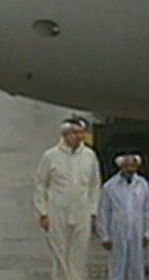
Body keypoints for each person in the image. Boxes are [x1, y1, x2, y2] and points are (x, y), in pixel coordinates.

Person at [33, 117, 102, 280]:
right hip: (57, 212)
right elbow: (40, 184)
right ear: (65, 134)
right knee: (60, 252)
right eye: (74, 133)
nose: (78, 137)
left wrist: (93, 211)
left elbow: (94, 185)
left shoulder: (89, 156)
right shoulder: (51, 156)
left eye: (81, 133)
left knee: (79, 254)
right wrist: (42, 212)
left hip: (82, 212)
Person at [97, 154, 149, 280]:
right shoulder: (110, 186)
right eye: (127, 166)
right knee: (117, 267)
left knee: (137, 268)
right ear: (121, 167)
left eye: (133, 166)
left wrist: (147, 232)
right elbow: (104, 211)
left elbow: (147, 210)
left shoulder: (142, 184)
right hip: (117, 232)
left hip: (137, 231)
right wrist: (104, 235)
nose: (130, 169)